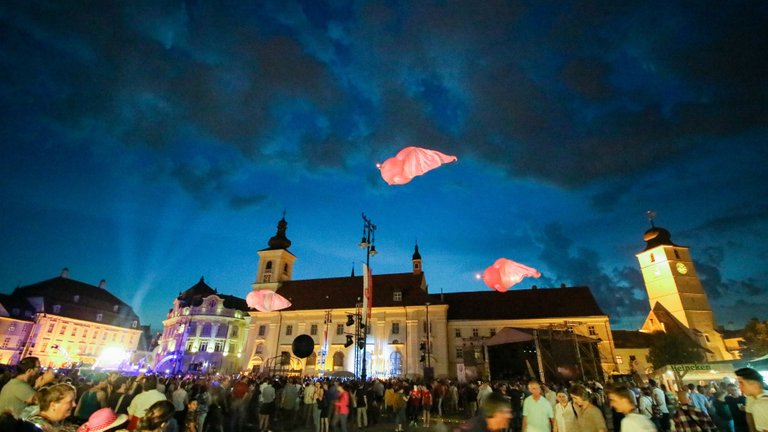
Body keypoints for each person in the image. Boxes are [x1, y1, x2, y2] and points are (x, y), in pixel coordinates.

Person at [735, 367, 768, 432]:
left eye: (741, 383)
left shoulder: (760, 404)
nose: (739, 386)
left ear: (755, 384)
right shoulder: (752, 398)